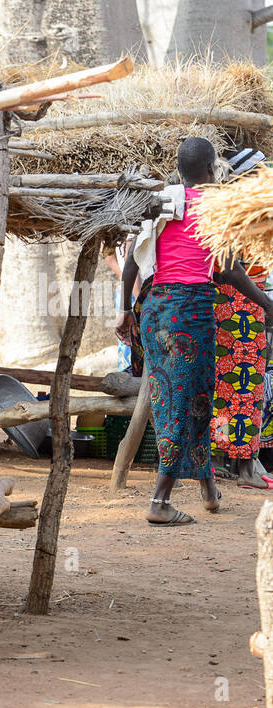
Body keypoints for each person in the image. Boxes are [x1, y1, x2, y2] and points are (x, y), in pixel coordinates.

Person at [118, 137, 273, 525]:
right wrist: (269, 306)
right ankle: (159, 501)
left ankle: (207, 489)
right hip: (190, 313)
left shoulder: (157, 204)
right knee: (182, 403)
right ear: (210, 169)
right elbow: (230, 271)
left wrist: (123, 311)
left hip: (155, 310)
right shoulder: (215, 210)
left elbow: (132, 263)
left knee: (196, 396)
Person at [212, 148, 273, 488]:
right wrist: (264, 302)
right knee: (233, 388)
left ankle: (239, 461)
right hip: (239, 305)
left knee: (240, 389)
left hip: (244, 306)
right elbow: (229, 269)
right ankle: (235, 464)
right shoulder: (232, 216)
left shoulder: (253, 213)